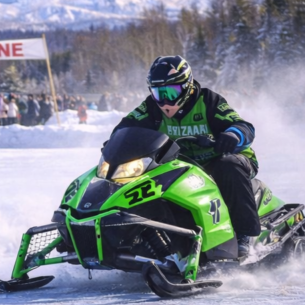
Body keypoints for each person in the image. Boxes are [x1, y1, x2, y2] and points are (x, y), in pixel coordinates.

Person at [111, 55, 260, 259]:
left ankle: (244, 235)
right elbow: (127, 126)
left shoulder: (208, 101)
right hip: (181, 165)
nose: (164, 100)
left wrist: (232, 135)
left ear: (187, 87)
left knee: (228, 166)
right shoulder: (150, 108)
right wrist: (116, 142)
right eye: (158, 92)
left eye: (171, 92)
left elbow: (243, 126)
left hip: (221, 159)